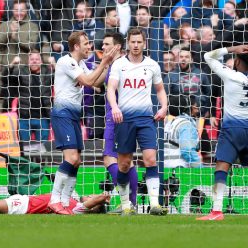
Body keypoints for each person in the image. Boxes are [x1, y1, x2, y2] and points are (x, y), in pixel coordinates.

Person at [49, 31, 116, 215]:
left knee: (76, 161)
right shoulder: (66, 61)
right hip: (62, 113)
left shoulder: (80, 64)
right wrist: (103, 63)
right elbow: (87, 81)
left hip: (74, 115)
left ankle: (65, 202)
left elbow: (96, 83)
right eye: (86, 43)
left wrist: (109, 65)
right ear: (76, 46)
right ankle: (54, 200)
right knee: (70, 158)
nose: (90, 46)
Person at [197, 45, 248, 221]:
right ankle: (216, 211)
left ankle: (217, 211)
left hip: (231, 130)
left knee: (221, 167)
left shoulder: (230, 75)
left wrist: (234, 48)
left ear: (238, 60)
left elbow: (208, 56)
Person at [107, 28, 168, 215]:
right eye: (132, 42)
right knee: (124, 164)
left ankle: (155, 205)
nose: (135, 45)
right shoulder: (119, 65)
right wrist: (115, 107)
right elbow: (111, 89)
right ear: (128, 43)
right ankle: (126, 205)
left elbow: (159, 89)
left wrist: (164, 107)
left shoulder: (152, 65)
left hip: (145, 119)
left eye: (139, 42)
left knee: (150, 159)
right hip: (124, 119)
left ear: (144, 43)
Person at [101, 32, 138, 210]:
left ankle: (127, 203)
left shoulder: (119, 65)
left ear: (116, 47)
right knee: (127, 160)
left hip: (116, 117)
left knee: (110, 159)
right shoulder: (119, 64)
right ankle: (132, 203)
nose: (102, 47)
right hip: (126, 116)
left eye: (106, 44)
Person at [1, 50, 53, 143]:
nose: (34, 61)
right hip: (24, 117)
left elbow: (61, 78)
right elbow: (5, 79)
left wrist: (54, 64)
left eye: (37, 59)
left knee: (43, 148)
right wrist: (12, 63)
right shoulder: (21, 71)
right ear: (28, 61)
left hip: (43, 117)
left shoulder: (47, 72)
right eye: (32, 59)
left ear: (41, 61)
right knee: (24, 148)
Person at [164, 95, 203, 168]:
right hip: (180, 169)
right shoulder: (186, 125)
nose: (197, 109)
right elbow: (187, 150)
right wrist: (199, 168)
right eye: (194, 107)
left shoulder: (168, 124)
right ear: (188, 108)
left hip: (165, 168)